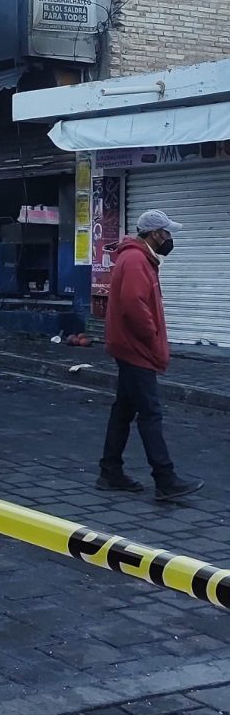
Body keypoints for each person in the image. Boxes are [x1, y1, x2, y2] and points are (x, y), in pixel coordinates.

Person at [97, 209, 204, 500]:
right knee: (150, 413)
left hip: (130, 346)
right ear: (156, 234)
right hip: (136, 348)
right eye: (167, 232)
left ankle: (110, 471)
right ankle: (165, 478)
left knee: (124, 410)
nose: (169, 238)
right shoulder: (135, 260)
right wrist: (152, 337)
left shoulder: (138, 258)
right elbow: (134, 305)